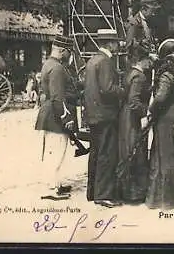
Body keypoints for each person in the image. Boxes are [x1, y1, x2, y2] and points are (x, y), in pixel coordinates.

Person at [145, 39, 174, 210]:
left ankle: (164, 200)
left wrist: (151, 111)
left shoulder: (166, 74)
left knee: (163, 157)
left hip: (166, 118)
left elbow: (161, 97)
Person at [83, 30, 125, 208]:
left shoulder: (92, 60)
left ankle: (92, 192)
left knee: (95, 153)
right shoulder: (106, 62)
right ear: (110, 44)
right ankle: (104, 194)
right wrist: (123, 91)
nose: (118, 46)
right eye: (116, 43)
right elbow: (107, 89)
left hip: (93, 114)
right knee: (107, 155)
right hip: (106, 114)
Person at [35, 35, 79, 200]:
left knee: (55, 151)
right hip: (55, 116)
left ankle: (56, 183)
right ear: (62, 51)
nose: (70, 55)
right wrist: (66, 118)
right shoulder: (57, 68)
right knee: (56, 152)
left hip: (51, 114)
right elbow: (57, 97)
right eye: (68, 52)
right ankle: (49, 188)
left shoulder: (50, 64)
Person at [118, 42, 156, 204]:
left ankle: (125, 190)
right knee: (135, 151)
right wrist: (145, 113)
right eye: (148, 59)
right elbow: (134, 101)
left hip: (125, 115)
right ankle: (133, 193)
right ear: (142, 59)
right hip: (133, 117)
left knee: (127, 150)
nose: (150, 63)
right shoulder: (139, 77)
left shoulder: (131, 73)